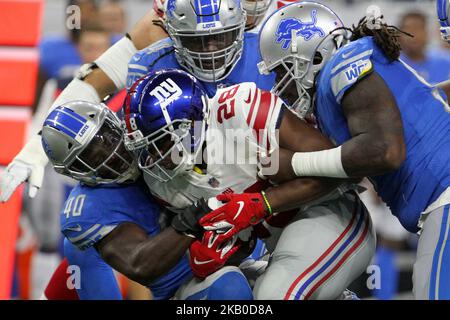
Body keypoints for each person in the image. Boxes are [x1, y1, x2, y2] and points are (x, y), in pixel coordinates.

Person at [123, 68, 375, 300]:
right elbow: (245, 235)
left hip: (332, 214)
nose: (154, 158)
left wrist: (262, 204)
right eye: (147, 148)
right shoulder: (164, 182)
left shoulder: (239, 110)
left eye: (160, 143)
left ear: (190, 123)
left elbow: (339, 171)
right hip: (276, 248)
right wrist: (215, 251)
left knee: (273, 296)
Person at [258, 1, 450, 299]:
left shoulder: (343, 63)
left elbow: (385, 150)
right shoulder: (358, 65)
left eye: (283, 68)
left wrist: (296, 164)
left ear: (313, 55)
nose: (282, 83)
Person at [0, 0, 275, 203]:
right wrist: (36, 149)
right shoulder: (167, 25)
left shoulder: (290, 25)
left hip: (267, 163)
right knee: (90, 208)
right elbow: (96, 80)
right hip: (182, 175)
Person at [40, 100, 254, 300]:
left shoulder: (148, 131)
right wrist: (192, 219)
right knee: (230, 289)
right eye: (91, 157)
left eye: (109, 138)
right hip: (187, 283)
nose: (111, 154)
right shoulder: (91, 209)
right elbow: (140, 265)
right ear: (74, 173)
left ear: (115, 124)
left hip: (243, 244)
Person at [399, 11, 450, 85]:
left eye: (418, 28)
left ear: (427, 32)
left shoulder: (446, 62)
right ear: (399, 35)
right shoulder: (391, 65)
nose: (413, 34)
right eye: (408, 29)